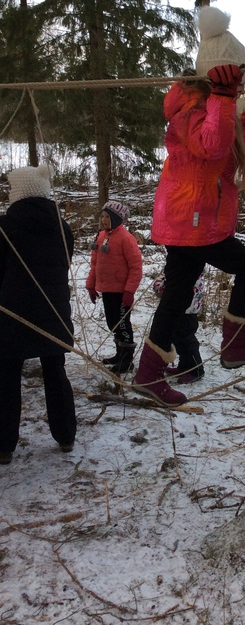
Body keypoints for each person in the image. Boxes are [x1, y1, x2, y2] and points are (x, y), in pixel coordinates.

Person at [132, 5, 245, 406]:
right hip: (193, 222)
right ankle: (235, 345)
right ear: (218, 76)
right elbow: (212, 144)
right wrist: (222, 95)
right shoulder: (190, 111)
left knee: (177, 296)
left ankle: (149, 372)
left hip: (193, 222)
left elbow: (238, 138)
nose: (239, 89)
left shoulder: (216, 105)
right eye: (237, 81)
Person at [0, 165, 76, 465]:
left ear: (19, 191)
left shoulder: (5, 227)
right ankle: (66, 436)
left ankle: (3, 446)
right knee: (55, 371)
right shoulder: (63, 227)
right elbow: (65, 262)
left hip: (11, 315)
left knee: (6, 376)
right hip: (53, 312)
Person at [86, 201, 142, 374]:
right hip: (107, 289)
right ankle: (120, 354)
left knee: (122, 324)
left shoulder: (126, 238)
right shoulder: (101, 236)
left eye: (108, 217)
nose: (103, 220)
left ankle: (127, 360)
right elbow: (95, 264)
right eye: (102, 216)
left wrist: (129, 291)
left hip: (121, 292)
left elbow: (136, 267)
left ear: (117, 219)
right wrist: (91, 285)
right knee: (113, 323)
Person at [153, 270, 205, 383]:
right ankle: (184, 366)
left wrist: (159, 286)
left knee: (186, 340)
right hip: (183, 306)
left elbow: (175, 281)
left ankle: (196, 370)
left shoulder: (188, 266)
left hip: (186, 308)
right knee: (178, 338)